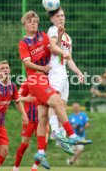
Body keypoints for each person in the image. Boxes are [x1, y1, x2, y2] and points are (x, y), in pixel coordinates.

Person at [18, 10, 92, 170]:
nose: (34, 24)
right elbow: (33, 61)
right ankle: (66, 135)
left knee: (44, 115)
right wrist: (43, 67)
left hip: (48, 77)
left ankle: (41, 152)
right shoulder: (26, 42)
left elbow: (54, 48)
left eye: (36, 21)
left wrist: (77, 70)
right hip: (40, 77)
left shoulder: (45, 35)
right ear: (24, 24)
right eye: (30, 21)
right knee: (56, 103)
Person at [46, 7, 84, 152]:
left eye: (62, 15)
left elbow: (68, 59)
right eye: (58, 16)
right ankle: (55, 131)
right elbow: (54, 48)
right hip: (54, 72)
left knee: (62, 106)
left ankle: (60, 139)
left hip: (64, 74)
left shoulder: (68, 38)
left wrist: (78, 72)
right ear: (52, 19)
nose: (61, 18)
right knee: (54, 103)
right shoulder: (52, 30)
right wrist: (60, 36)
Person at [12, 80, 49, 171]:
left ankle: (34, 167)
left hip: (42, 118)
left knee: (44, 142)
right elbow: (17, 98)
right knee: (24, 143)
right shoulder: (27, 82)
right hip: (29, 119)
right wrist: (26, 99)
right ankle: (15, 168)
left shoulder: (48, 80)